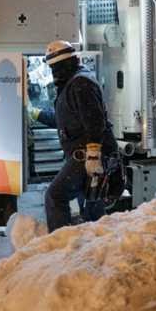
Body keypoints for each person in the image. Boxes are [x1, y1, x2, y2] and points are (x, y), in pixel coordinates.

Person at [31, 40, 118, 232]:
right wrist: (37, 114)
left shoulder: (81, 83)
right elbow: (66, 122)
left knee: (55, 196)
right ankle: (100, 245)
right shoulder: (73, 82)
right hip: (84, 154)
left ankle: (59, 247)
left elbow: (95, 121)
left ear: (66, 64)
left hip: (88, 154)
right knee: (91, 205)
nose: (53, 72)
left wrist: (93, 156)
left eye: (55, 67)